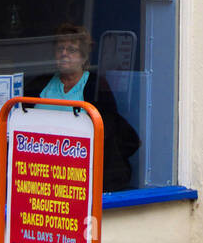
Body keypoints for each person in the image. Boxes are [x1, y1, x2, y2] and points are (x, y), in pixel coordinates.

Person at [26, 23, 141, 192]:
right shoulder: (40, 83)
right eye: (60, 49)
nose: (64, 54)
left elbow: (107, 130)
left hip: (81, 171)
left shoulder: (95, 86)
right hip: (41, 169)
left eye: (71, 50)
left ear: (83, 56)